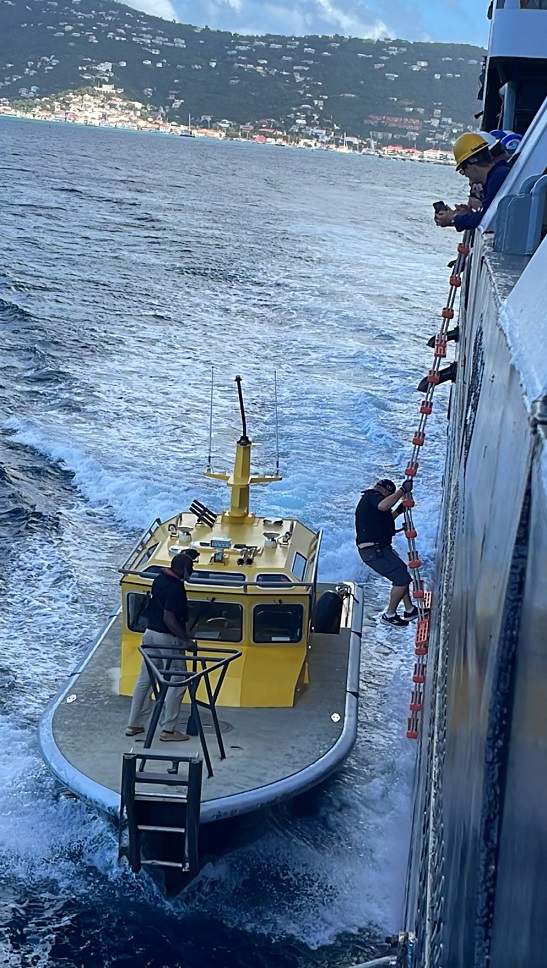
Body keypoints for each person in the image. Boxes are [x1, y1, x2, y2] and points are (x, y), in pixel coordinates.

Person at [125, 550, 199, 742]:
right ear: (183, 569)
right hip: (167, 638)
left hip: (149, 635)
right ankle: (168, 729)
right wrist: (186, 640)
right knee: (178, 681)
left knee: (145, 679)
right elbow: (169, 617)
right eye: (190, 568)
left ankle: (134, 724)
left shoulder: (159, 579)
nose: (191, 572)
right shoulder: (176, 588)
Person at [355, 478, 418, 629]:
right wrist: (402, 491)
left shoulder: (372, 504)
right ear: (384, 491)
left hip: (378, 549)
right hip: (373, 551)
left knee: (401, 573)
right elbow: (384, 506)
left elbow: (385, 518)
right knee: (401, 579)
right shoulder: (372, 496)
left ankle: (410, 610)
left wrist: (399, 510)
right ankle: (389, 615)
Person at [434, 132, 512, 232]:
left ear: (471, 166)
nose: (465, 175)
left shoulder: (497, 178)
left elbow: (486, 218)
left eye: (463, 170)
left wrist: (453, 219)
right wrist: (467, 215)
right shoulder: (500, 173)